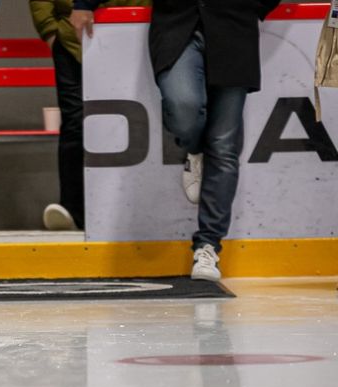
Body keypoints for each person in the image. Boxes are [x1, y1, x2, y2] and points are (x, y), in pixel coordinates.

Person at [71, 0, 281, 280]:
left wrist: (253, 6)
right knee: (184, 109)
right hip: (176, 27)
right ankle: (194, 151)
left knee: (224, 146)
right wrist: (84, 3)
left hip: (235, 30)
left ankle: (208, 246)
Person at [29, 0, 149, 232]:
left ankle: (130, 209)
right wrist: (50, 31)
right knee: (74, 123)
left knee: (135, 125)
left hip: (132, 35)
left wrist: (144, 19)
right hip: (72, 39)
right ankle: (73, 212)